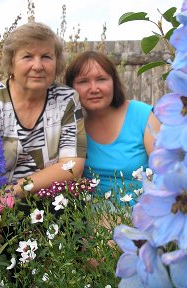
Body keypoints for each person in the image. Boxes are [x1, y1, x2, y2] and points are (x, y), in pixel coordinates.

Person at [0, 22, 86, 240]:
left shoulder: (67, 100)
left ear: (57, 62)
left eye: (46, 56)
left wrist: (14, 190)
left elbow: (72, 165)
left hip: (50, 206)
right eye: (28, 57)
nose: (38, 66)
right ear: (11, 62)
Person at [65, 51, 160, 203]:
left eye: (101, 79)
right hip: (93, 219)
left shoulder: (142, 115)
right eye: (83, 82)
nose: (94, 88)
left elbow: (166, 171)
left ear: (114, 82)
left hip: (145, 214)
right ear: (71, 88)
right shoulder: (71, 126)